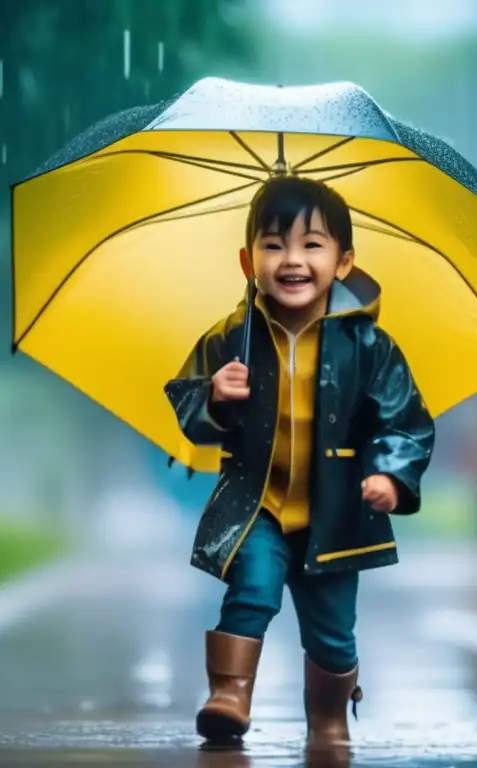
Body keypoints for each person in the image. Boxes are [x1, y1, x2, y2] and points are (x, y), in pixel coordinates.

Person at [163, 176, 435, 748]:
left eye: (312, 245)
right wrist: (214, 396)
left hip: (335, 511)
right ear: (247, 260)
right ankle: (230, 694)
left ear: (343, 261)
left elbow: (403, 418)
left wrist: (388, 471)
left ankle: (331, 721)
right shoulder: (231, 337)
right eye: (273, 245)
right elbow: (187, 407)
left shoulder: (368, 345)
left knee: (333, 632)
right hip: (256, 504)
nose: (292, 260)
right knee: (251, 591)